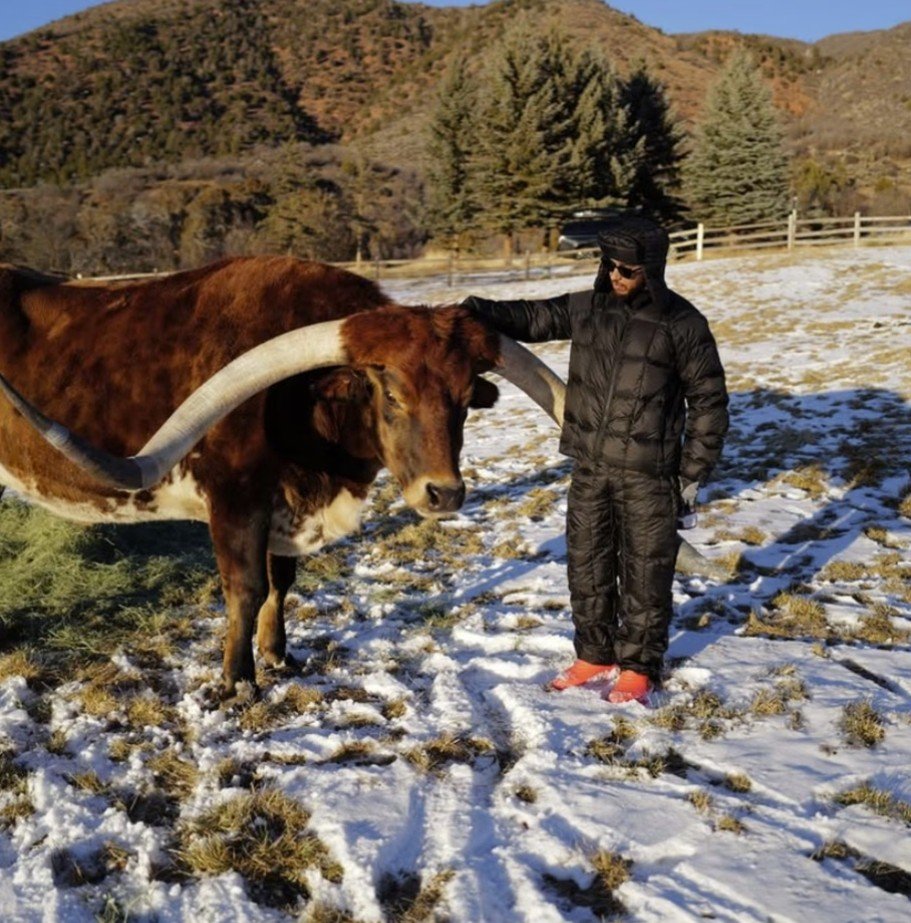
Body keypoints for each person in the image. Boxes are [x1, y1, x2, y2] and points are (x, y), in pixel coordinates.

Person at [463, 214, 728, 704]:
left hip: (650, 475)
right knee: (587, 566)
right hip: (589, 466)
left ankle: (638, 667)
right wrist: (474, 309)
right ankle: (594, 655)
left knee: (646, 573)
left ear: (652, 269)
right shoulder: (586, 308)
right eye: (609, 265)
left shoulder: (683, 324)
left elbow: (710, 403)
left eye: (627, 269)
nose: (616, 276)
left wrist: (692, 473)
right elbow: (532, 318)